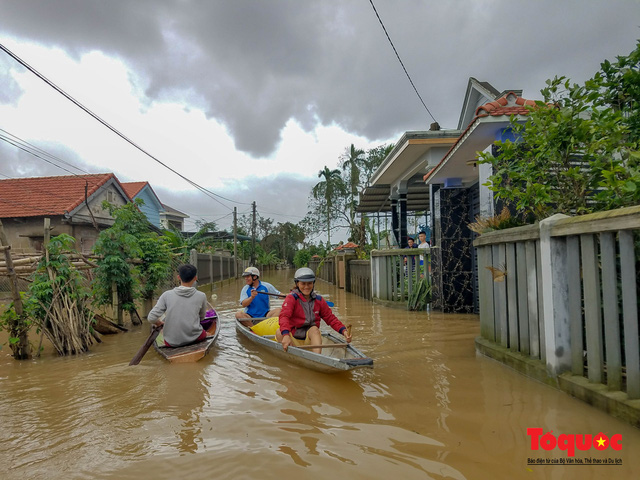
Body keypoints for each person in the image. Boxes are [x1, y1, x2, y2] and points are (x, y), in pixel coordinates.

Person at [276, 267, 351, 354]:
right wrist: (285, 335)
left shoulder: (319, 300)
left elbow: (330, 318)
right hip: (293, 338)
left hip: (310, 338)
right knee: (279, 332)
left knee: (315, 329)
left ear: (313, 283)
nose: (306, 287)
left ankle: (317, 357)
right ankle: (293, 353)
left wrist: (344, 331)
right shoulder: (291, 298)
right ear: (297, 284)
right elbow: (284, 316)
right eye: (303, 284)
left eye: (309, 283)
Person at [147, 264, 208, 347]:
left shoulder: (166, 295)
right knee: (207, 333)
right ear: (195, 278)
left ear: (179, 277)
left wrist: (159, 323)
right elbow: (201, 318)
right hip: (195, 338)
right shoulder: (201, 296)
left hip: (171, 342)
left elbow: (151, 318)